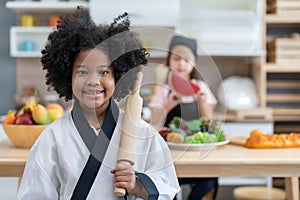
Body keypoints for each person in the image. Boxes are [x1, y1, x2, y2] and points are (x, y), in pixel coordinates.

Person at [17, 7, 180, 200]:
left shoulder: (144, 135)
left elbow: (167, 189)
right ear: (68, 76)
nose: (93, 81)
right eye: (83, 72)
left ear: (118, 77)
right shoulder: (52, 139)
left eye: (104, 72)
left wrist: (138, 185)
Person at [148, 35, 218, 200]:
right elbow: (154, 123)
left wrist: (201, 101)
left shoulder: (201, 87)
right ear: (169, 60)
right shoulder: (164, 89)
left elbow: (209, 120)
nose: (181, 63)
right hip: (170, 154)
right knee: (166, 183)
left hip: (197, 152)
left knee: (210, 180)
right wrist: (168, 105)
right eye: (176, 58)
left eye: (186, 59)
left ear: (193, 63)